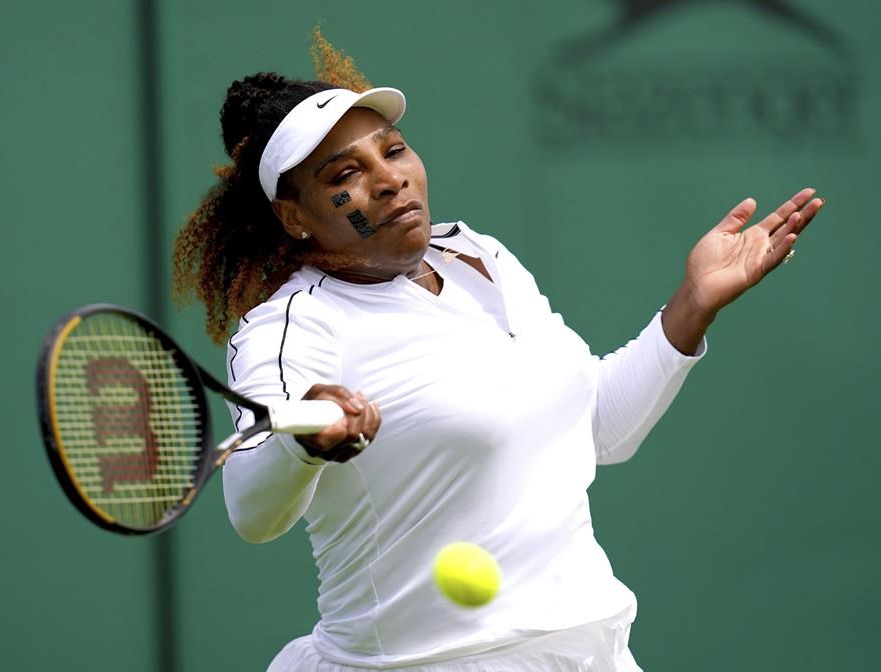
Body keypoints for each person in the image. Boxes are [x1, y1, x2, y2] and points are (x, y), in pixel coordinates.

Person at [171, 47, 821, 672]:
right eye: (345, 176)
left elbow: (597, 430)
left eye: (393, 151)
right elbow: (252, 511)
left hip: (586, 648)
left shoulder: (478, 256)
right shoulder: (291, 327)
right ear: (293, 216)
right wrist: (304, 446)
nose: (390, 179)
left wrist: (691, 305)